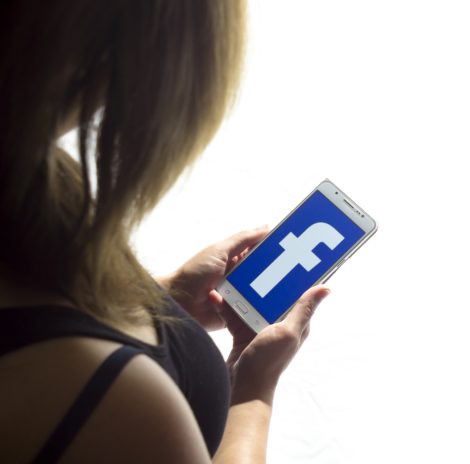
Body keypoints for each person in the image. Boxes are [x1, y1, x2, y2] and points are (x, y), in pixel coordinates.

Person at [0, 1, 329, 462]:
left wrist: (159, 299)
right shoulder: (108, 399)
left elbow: (42, 309)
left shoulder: (33, 175)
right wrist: (254, 387)